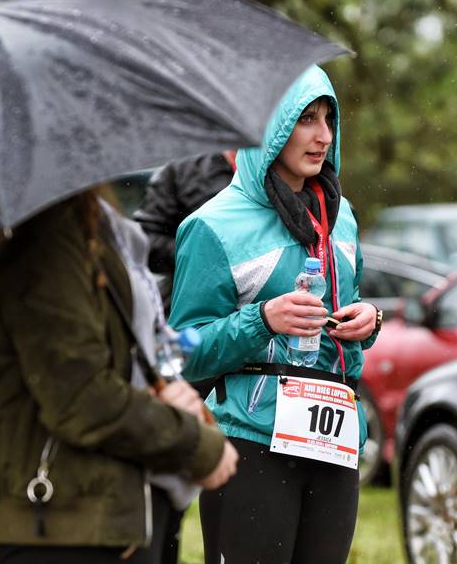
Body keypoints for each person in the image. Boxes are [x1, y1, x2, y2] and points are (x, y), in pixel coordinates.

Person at [0, 187, 238, 564]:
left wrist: (163, 393)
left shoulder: (85, 224)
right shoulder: (48, 238)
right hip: (68, 515)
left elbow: (104, 362)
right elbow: (81, 396)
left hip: (94, 506)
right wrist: (196, 445)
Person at [169, 65, 382, 563]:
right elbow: (184, 353)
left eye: (329, 119)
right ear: (270, 123)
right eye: (306, 119)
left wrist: (369, 320)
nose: (323, 136)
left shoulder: (341, 216)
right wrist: (262, 319)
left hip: (335, 441)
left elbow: (350, 307)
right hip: (252, 442)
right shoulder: (213, 226)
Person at [133, 151, 236, 316]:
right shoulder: (182, 169)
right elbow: (145, 240)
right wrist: (197, 258)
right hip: (194, 307)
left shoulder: (276, 167)